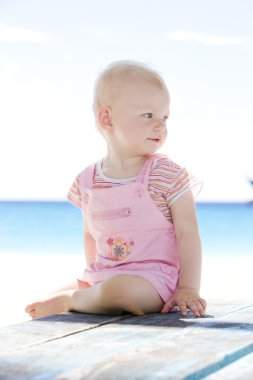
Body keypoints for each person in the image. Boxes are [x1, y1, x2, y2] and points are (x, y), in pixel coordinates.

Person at [25, 60, 206, 319]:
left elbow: (188, 233)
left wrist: (188, 289)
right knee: (40, 302)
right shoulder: (87, 180)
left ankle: (73, 301)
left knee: (121, 291)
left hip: (153, 281)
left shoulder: (168, 174)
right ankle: (83, 298)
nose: (160, 125)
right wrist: (92, 277)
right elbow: (91, 236)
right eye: (148, 115)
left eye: (164, 116)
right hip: (103, 275)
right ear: (107, 118)